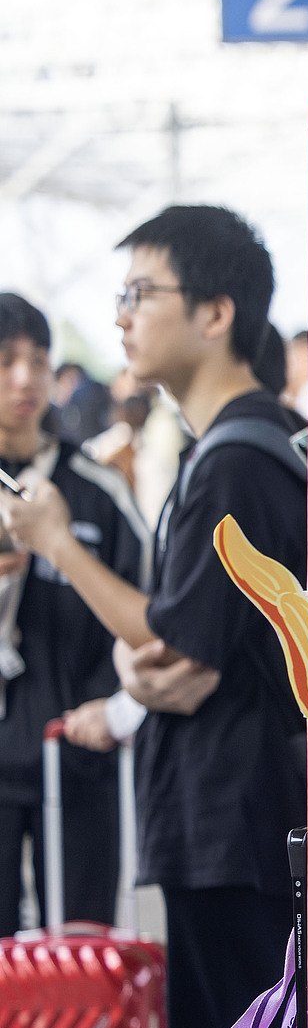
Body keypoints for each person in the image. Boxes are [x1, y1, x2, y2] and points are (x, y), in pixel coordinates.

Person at [0, 207, 308, 1028]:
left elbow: (176, 646)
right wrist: (148, 660)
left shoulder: (235, 461)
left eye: (141, 293)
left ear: (215, 313)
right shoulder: (241, 449)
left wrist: (57, 544)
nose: (122, 318)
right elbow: (168, 646)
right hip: (231, 819)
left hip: (229, 822)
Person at [0, 293, 149, 932]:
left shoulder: (98, 489)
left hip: (76, 759)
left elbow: (153, 614)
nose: (26, 378)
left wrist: (116, 709)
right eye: (6, 360)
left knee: (81, 955)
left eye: (38, 360)